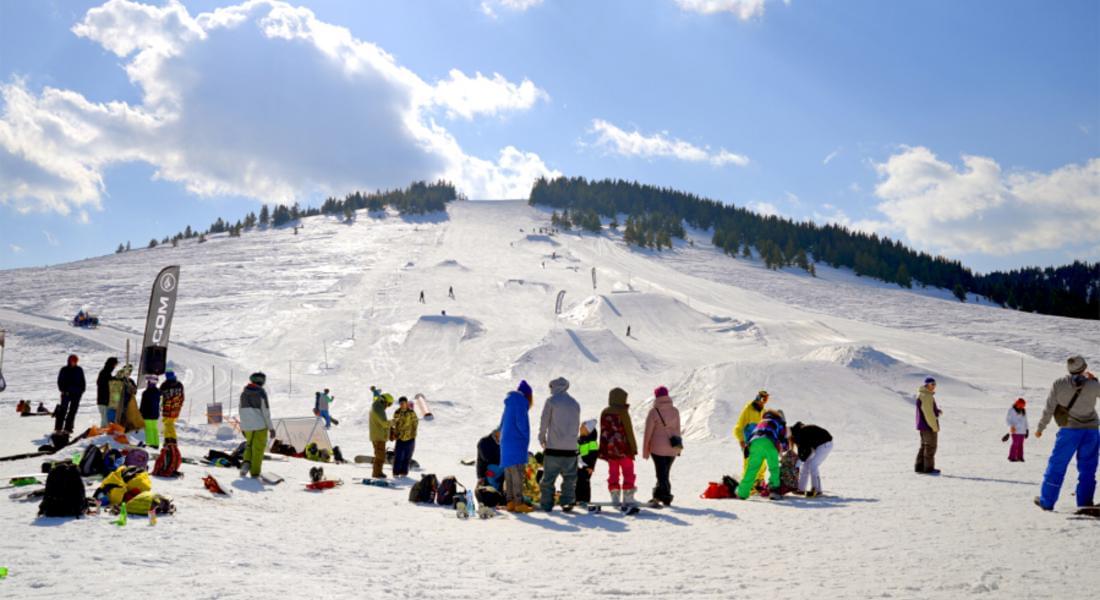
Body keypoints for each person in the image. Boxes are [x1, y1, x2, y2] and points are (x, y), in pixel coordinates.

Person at [1034, 355, 1099, 511]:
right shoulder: (1092, 385)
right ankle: (1084, 503)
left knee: (1057, 465)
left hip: (1069, 431)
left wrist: (1040, 428)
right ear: (1084, 368)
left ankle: (1047, 501)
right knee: (1088, 468)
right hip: (1091, 431)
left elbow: (1049, 408)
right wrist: (1094, 381)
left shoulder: (1059, 383)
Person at [538, 377, 581, 511]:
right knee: (569, 479)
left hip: (553, 448)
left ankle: (546, 504)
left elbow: (544, 421)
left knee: (548, 479)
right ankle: (567, 502)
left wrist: (542, 438)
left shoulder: (551, 401)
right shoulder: (575, 403)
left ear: (554, 387)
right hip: (571, 449)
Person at [736, 409, 789, 499]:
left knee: (752, 469)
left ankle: (742, 492)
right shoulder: (779, 422)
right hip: (769, 443)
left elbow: (750, 434)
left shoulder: (762, 422)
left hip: (754, 443)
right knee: (774, 468)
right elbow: (782, 438)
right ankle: (774, 492)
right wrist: (785, 448)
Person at [599, 387, 638, 508]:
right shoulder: (623, 412)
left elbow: (603, 431)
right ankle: (628, 496)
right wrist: (633, 448)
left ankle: (614, 495)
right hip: (624, 448)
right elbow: (629, 431)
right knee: (628, 471)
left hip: (610, 449)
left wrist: (603, 449)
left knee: (613, 472)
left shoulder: (605, 412)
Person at [643, 386, 682, 507]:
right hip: (672, 447)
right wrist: (678, 447)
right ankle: (657, 496)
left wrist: (645, 450)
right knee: (664, 473)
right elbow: (677, 430)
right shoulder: (675, 411)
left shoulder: (654, 411)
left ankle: (666, 496)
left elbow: (648, 432)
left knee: (661, 474)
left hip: (657, 448)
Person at [499, 381, 533, 513]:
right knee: (518, 473)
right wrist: (525, 437)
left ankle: (510, 502)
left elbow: (501, 423)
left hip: (506, 443)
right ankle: (519, 503)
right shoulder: (520, 402)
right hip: (516, 442)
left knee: (509, 473)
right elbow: (522, 423)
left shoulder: (510, 403)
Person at [239, 372, 273, 478]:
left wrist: (243, 427)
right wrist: (271, 428)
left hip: (247, 426)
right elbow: (265, 412)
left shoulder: (244, 393)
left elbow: (241, 410)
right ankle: (255, 473)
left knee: (249, 445)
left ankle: (246, 462)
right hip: (260, 426)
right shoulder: (261, 393)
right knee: (258, 449)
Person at [791, 421, 833, 497]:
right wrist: (801, 460)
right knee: (806, 465)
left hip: (825, 444)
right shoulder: (800, 432)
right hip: (818, 445)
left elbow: (807, 451)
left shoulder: (801, 434)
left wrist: (799, 462)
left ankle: (817, 490)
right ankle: (801, 489)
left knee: (813, 465)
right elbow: (803, 451)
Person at [915, 377, 942, 475]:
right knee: (930, 446)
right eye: (932, 384)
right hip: (928, 426)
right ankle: (928, 468)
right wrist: (934, 427)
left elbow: (927, 410)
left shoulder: (923, 395)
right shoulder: (926, 396)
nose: (934, 386)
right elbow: (928, 413)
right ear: (926, 384)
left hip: (923, 425)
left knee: (924, 446)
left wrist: (937, 411)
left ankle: (920, 467)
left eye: (935, 384)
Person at [55, 354, 86, 434]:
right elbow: (60, 381)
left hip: (76, 394)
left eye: (75, 361)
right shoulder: (64, 369)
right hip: (66, 394)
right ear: (69, 361)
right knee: (63, 411)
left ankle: (68, 429)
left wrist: (82, 390)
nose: (74, 362)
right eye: (72, 361)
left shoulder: (79, 370)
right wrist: (63, 390)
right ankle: (58, 428)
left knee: (72, 411)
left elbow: (83, 381)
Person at [390, 396, 418, 478]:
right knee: (398, 456)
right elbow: (394, 423)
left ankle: (404, 473)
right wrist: (393, 433)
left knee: (407, 456)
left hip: (410, 438)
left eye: (404, 403)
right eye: (401, 403)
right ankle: (396, 472)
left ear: (406, 403)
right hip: (400, 438)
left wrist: (413, 435)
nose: (402, 404)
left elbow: (415, 423)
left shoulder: (411, 412)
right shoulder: (397, 412)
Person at [369, 388, 394, 478]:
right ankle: (376, 474)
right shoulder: (378, 408)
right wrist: (393, 422)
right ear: (385, 402)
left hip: (377, 435)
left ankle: (378, 472)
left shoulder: (377, 405)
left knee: (380, 455)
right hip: (378, 437)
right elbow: (384, 423)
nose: (388, 406)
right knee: (380, 456)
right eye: (389, 404)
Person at [575, 419, 598, 507]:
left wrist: (591, 466)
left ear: (588, 430)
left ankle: (585, 500)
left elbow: (594, 455)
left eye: (582, 427)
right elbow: (576, 451)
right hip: (578, 465)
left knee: (584, 482)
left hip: (587, 466)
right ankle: (577, 499)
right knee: (577, 482)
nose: (580, 429)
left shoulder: (592, 442)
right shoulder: (579, 440)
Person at [159, 370, 185, 444]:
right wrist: (180, 404)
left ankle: (172, 439)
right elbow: (182, 396)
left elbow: (159, 394)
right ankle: (167, 440)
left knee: (168, 423)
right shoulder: (179, 384)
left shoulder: (164, 385)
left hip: (167, 408)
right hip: (176, 407)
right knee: (168, 423)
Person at [95, 357, 118, 427]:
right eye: (114, 365)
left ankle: (103, 434)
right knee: (105, 422)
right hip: (104, 401)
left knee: (105, 420)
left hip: (103, 400)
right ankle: (103, 435)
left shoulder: (105, 373)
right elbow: (105, 385)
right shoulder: (105, 373)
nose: (114, 367)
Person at [139, 376, 161, 449]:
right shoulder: (158, 392)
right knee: (154, 429)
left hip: (147, 414)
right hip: (155, 414)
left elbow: (143, 405)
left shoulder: (146, 393)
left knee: (148, 429)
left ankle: (151, 443)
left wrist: (140, 413)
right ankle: (156, 443)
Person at [1006, 398, 1029, 462]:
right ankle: (1011, 457)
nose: (1021, 407)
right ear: (1017, 404)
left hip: (1022, 431)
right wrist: (1011, 426)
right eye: (1020, 405)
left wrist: (1027, 430)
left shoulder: (1023, 410)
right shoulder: (1011, 410)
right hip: (1015, 430)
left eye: (1023, 406)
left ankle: (1020, 457)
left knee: (1021, 445)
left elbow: (1025, 421)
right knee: (1015, 443)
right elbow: (1008, 420)